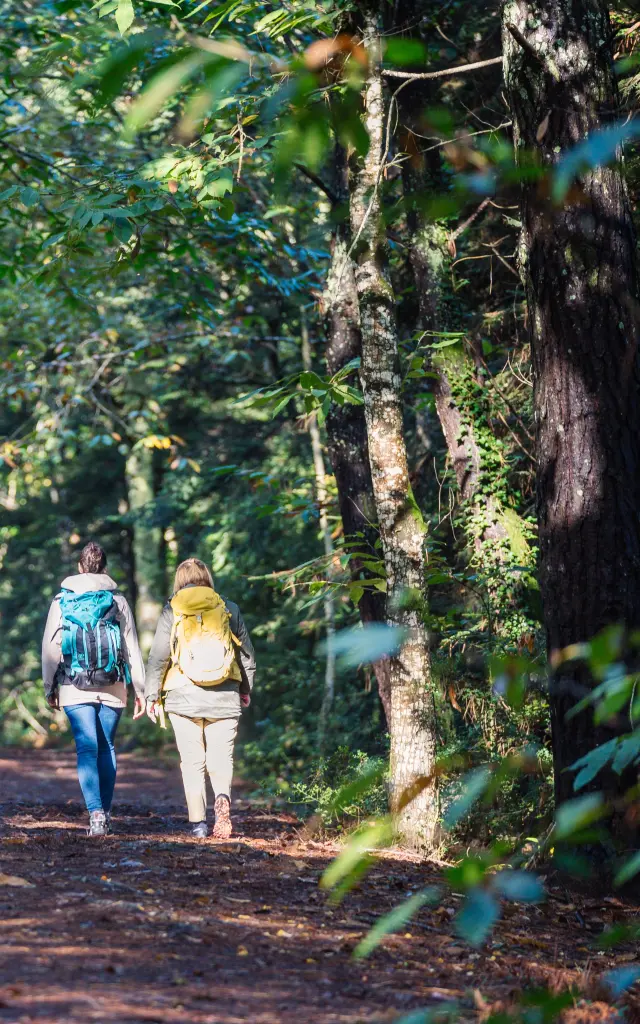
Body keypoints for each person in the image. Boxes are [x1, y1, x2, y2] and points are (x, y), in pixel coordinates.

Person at [145, 557, 255, 840]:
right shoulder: (228, 608)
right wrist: (245, 689)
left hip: (183, 696)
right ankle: (222, 800)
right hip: (224, 695)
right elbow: (247, 655)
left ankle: (198, 824)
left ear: (179, 580)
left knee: (193, 761)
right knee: (221, 757)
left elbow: (159, 656)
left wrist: (151, 695)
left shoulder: (172, 610)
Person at [42, 541, 145, 836]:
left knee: (86, 748)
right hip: (113, 685)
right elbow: (131, 648)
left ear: (79, 567)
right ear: (105, 568)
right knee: (107, 747)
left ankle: (96, 814)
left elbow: (50, 650)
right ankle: (106, 813)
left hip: (73, 686)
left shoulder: (61, 601)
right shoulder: (118, 601)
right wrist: (140, 689)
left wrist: (50, 687)